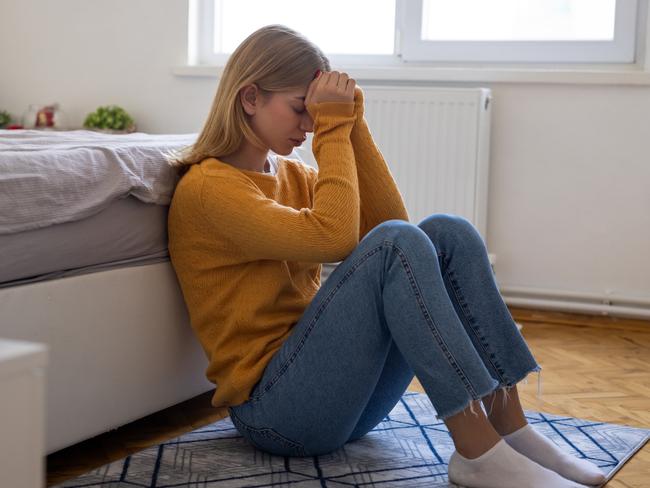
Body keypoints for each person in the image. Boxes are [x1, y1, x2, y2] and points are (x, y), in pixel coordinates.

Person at [167, 24, 606, 488]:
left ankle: (510, 428)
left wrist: (352, 123)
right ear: (250, 97)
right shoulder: (209, 190)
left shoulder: (292, 175)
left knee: (445, 233)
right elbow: (339, 239)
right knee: (398, 241)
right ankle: (476, 452)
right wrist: (333, 130)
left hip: (342, 400)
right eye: (301, 108)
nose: (310, 124)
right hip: (276, 413)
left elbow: (393, 223)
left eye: (316, 114)